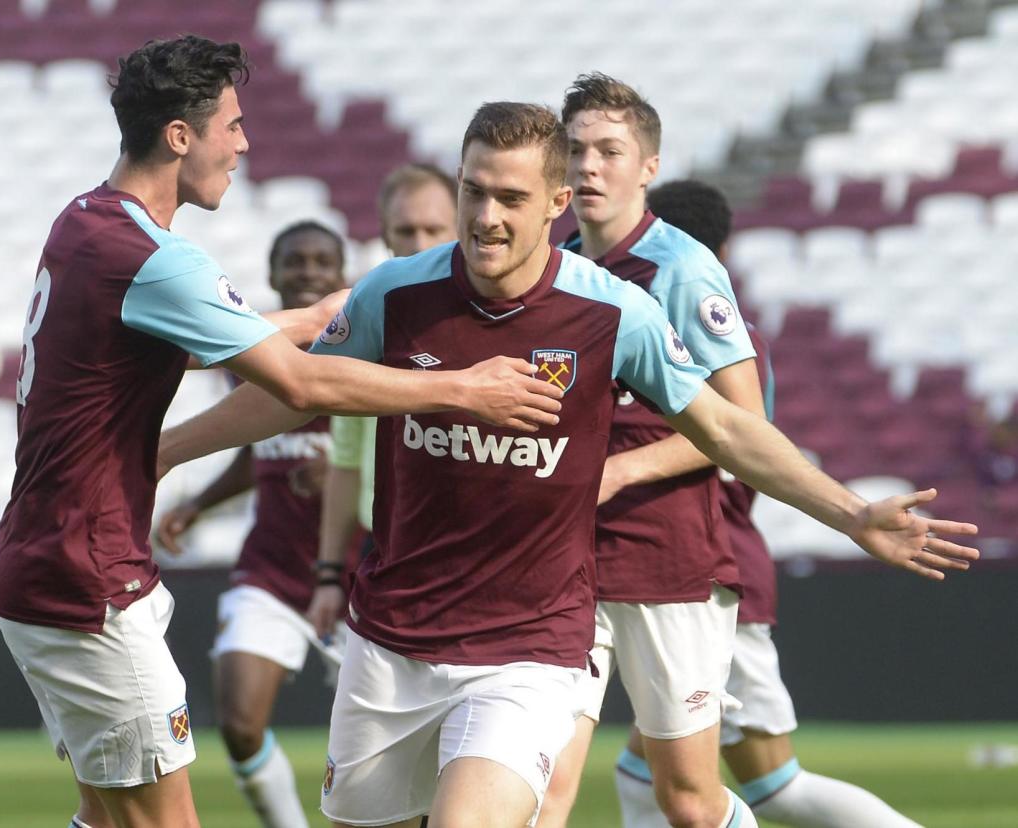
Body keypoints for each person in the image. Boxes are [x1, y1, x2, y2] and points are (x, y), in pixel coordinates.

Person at [155, 101, 978, 828]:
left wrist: (848, 511)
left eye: (510, 198)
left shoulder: (614, 312)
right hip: (394, 637)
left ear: (555, 204)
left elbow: (726, 428)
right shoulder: (393, 295)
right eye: (474, 191)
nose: (485, 216)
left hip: (530, 646)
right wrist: (158, 454)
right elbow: (296, 395)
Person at [0, 36, 563, 828]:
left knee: (108, 816)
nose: (245, 143)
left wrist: (313, 317)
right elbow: (297, 384)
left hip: (49, 556)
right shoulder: (155, 257)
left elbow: (166, 341)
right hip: (85, 576)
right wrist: (462, 389)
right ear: (180, 136)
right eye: (232, 125)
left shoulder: (83, 224)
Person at [606, 180, 922, 827]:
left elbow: (735, 439)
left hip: (707, 572)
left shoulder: (722, 345)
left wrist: (618, 470)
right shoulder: (653, 331)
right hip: (651, 569)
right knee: (643, 777)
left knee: (775, 787)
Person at [155, 221, 350, 828]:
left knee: (380, 748)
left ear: (341, 275)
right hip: (270, 563)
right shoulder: (247, 351)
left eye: (323, 262)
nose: (308, 272)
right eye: (295, 261)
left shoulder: (362, 340)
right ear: (272, 273)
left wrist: (349, 474)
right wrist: (198, 504)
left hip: (360, 568)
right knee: (239, 723)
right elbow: (256, 446)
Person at [308, 163, 459, 643]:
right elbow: (346, 462)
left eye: (433, 229)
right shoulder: (370, 324)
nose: (418, 242)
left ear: (461, 225)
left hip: (478, 546)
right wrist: (330, 574)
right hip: (389, 547)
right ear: (387, 236)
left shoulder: (499, 319)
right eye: (405, 230)